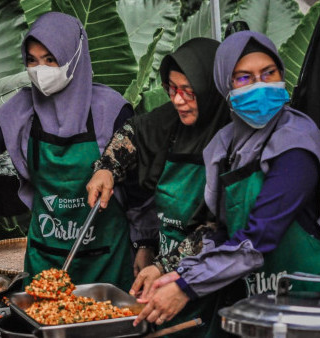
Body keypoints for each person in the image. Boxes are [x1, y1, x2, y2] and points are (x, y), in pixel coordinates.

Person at [131, 30, 320, 332]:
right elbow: (222, 230)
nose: (259, 85)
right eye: (244, 78)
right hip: (268, 295)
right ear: (226, 85)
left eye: (268, 73)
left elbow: (260, 236)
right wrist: (173, 271)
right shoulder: (224, 146)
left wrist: (186, 287)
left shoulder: (297, 141)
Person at [0, 12, 156, 291]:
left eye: (50, 59)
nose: (41, 70)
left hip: (107, 260)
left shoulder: (110, 110)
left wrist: (146, 243)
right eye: (32, 60)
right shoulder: (21, 110)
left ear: (73, 57)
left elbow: (138, 188)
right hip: (45, 259)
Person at [86, 38, 230, 337]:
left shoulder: (235, 141)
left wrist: (164, 266)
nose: (177, 100)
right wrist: (106, 168)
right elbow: (134, 132)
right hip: (166, 261)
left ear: (211, 89)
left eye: (189, 92)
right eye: (172, 89)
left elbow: (220, 229)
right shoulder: (170, 121)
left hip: (210, 277)